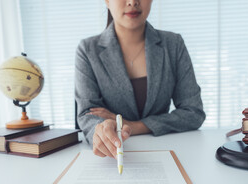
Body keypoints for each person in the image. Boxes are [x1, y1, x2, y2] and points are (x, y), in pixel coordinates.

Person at [75, 0, 205, 159]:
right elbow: (88, 114)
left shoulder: (173, 44)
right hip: (115, 156)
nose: (132, 2)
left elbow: (193, 113)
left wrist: (136, 126)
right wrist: (101, 130)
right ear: (107, 1)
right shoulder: (88, 50)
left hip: (164, 151)